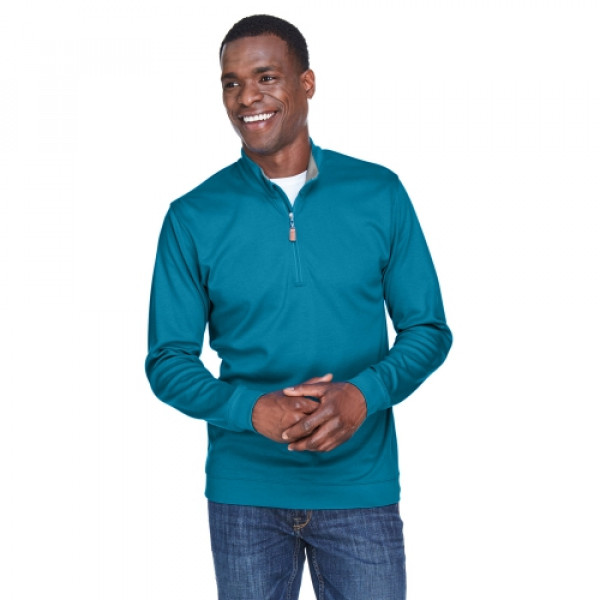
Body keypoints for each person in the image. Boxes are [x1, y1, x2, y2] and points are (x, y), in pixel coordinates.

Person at [145, 14, 452, 600]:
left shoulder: (379, 192)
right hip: (245, 491)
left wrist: (363, 395)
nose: (247, 97)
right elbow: (167, 360)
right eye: (232, 83)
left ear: (306, 83)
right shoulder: (192, 215)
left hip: (359, 486)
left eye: (266, 77)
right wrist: (248, 409)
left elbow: (428, 329)